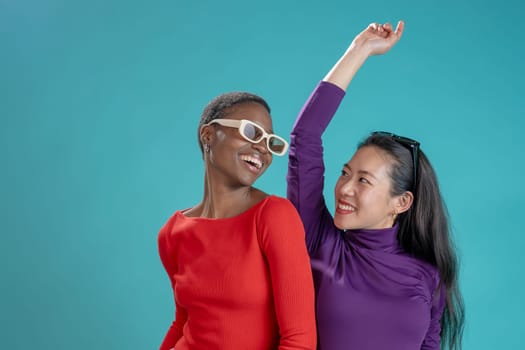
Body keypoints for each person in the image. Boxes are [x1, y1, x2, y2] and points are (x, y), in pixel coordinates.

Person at [287, 21, 464, 350]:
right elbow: (305, 137)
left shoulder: (428, 274)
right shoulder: (321, 244)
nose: (344, 188)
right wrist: (360, 50)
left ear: (402, 202)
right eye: (345, 173)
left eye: (363, 180)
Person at [157, 91, 317, 350]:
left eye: (269, 141)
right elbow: (182, 322)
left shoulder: (274, 216)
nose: (262, 148)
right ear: (208, 134)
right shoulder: (172, 233)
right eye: (252, 132)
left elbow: (299, 339)